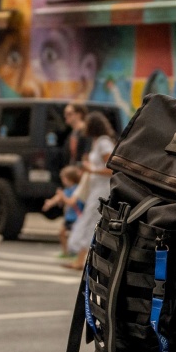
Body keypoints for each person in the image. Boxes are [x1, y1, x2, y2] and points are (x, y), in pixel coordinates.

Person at [63, 111, 115, 268]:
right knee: (89, 221)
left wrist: (91, 169)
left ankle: (82, 259)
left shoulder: (104, 143)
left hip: (102, 188)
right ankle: (81, 258)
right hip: (96, 187)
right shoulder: (97, 142)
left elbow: (112, 168)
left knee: (91, 221)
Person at [43, 163, 83, 254]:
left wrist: (62, 197)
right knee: (62, 233)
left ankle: (76, 252)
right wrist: (50, 203)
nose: (63, 181)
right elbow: (58, 198)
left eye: (64, 178)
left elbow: (71, 202)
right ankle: (66, 252)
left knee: (76, 236)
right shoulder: (67, 189)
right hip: (69, 217)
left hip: (76, 217)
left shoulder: (77, 189)